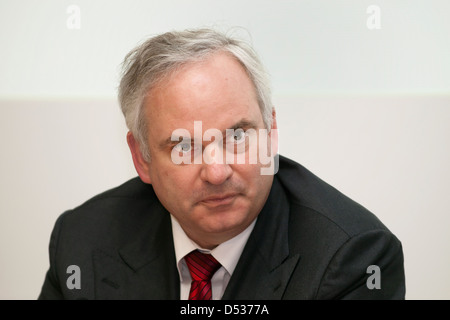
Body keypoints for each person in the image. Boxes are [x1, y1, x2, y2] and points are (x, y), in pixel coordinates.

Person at [38, 28, 405, 300]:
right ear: (141, 158)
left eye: (238, 136)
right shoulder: (83, 241)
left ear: (271, 132)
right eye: (184, 146)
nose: (217, 173)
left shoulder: (353, 258)